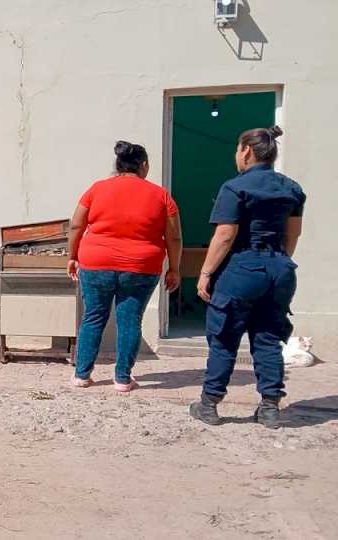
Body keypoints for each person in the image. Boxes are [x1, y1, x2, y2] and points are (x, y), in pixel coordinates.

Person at [189, 126, 305, 430]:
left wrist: (205, 273)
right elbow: (293, 234)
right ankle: (269, 408)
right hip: (279, 267)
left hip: (242, 267)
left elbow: (226, 234)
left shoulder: (235, 187)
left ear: (246, 152)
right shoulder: (291, 188)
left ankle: (209, 404)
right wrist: (277, 260)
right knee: (268, 337)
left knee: (225, 336)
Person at [67, 141, 183, 392]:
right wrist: (174, 268)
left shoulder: (96, 189)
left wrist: (72, 256)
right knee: (130, 320)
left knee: (93, 317)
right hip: (141, 267)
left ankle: (82, 375)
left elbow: (76, 225)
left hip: (96, 262)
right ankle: (122, 378)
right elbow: (173, 237)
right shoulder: (161, 195)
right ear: (143, 165)